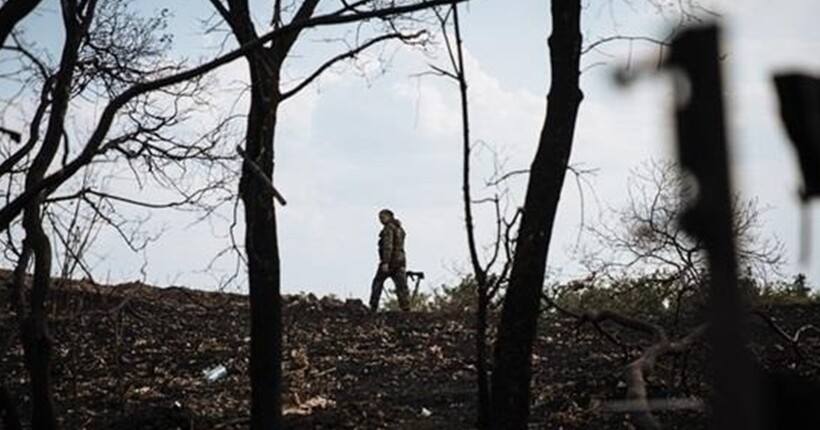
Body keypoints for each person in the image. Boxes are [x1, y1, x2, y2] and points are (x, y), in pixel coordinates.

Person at [369, 209, 411, 312]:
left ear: (389, 217)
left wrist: (385, 262)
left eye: (382, 217)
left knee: (378, 282)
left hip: (391, 262)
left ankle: (373, 307)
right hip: (401, 261)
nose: (380, 220)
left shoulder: (388, 229)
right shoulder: (400, 229)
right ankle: (405, 307)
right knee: (402, 286)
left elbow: (388, 246)